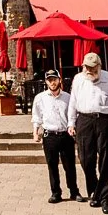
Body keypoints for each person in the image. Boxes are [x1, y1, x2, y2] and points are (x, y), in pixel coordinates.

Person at [68, 52, 108, 214]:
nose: (89, 71)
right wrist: (71, 122)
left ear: (99, 67)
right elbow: (73, 101)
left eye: (92, 68)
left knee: (106, 160)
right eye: (86, 68)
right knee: (85, 159)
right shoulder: (79, 79)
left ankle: (104, 198)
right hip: (84, 120)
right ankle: (95, 190)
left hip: (105, 121)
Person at [32, 69, 82, 203]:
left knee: (69, 165)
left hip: (65, 135)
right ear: (46, 82)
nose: (52, 82)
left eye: (54, 79)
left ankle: (74, 191)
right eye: (49, 80)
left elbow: (74, 115)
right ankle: (55, 192)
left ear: (59, 80)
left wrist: (74, 129)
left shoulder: (68, 97)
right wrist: (35, 133)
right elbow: (37, 116)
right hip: (50, 135)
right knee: (52, 165)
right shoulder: (40, 98)